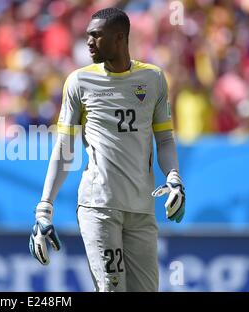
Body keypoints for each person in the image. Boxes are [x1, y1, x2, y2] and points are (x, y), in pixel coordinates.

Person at [29, 8, 185, 292]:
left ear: (120, 38)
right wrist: (44, 208)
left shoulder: (153, 79)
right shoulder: (78, 82)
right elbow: (64, 149)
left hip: (141, 208)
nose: (88, 42)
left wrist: (174, 177)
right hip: (99, 206)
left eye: (96, 36)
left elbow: (164, 140)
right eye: (88, 35)